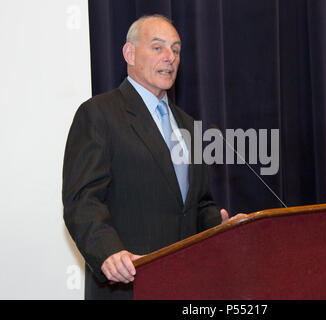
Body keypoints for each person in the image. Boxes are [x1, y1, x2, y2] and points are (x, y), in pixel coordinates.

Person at [62, 14, 245, 300]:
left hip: (186, 285)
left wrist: (218, 226)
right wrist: (109, 251)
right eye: (158, 47)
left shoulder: (188, 125)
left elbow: (197, 204)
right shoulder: (99, 114)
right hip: (128, 286)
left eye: (176, 49)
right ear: (129, 53)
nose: (170, 57)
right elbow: (83, 201)